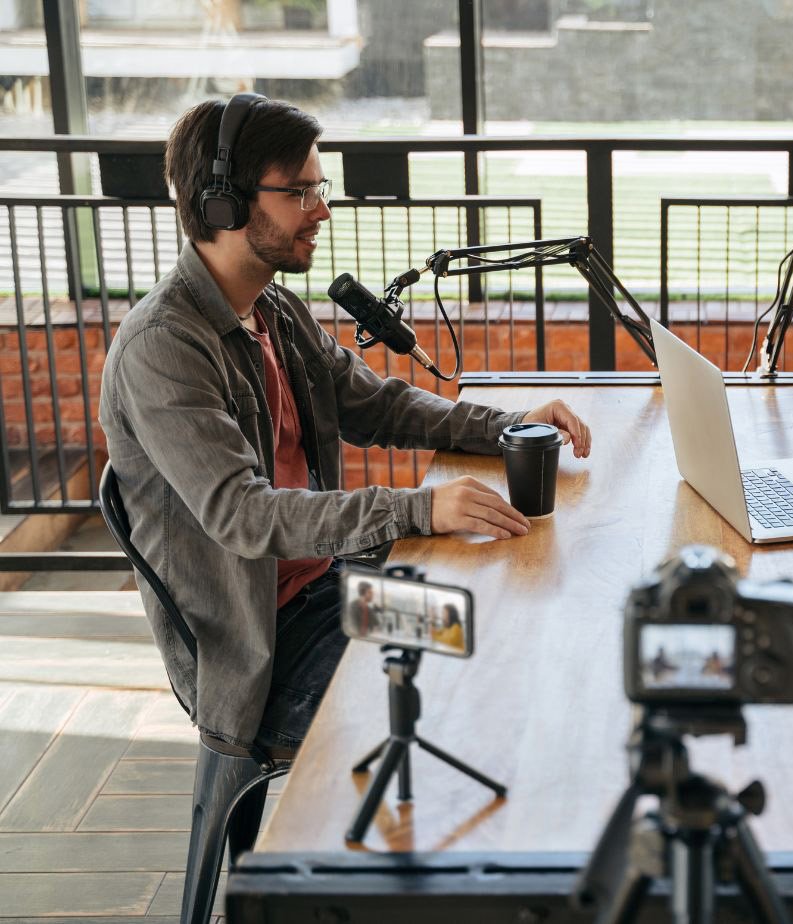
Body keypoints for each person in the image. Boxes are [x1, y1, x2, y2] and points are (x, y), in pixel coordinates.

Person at [98, 95, 592, 756]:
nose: (322, 210)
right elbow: (246, 516)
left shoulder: (273, 308)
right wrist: (421, 508)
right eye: (299, 193)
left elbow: (378, 405)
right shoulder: (163, 347)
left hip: (337, 595)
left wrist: (507, 426)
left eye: (317, 189)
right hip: (265, 658)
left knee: (506, 642)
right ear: (225, 204)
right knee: (465, 720)